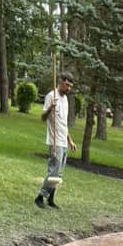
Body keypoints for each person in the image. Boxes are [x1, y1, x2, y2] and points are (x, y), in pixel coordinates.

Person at [35, 71, 77, 209]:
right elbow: (42, 118)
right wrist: (50, 108)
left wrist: (70, 141)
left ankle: (51, 199)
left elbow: (63, 124)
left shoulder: (65, 100)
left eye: (70, 86)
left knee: (59, 173)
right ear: (60, 82)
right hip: (54, 141)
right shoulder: (51, 96)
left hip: (63, 141)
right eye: (67, 85)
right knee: (53, 171)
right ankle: (40, 197)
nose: (69, 89)